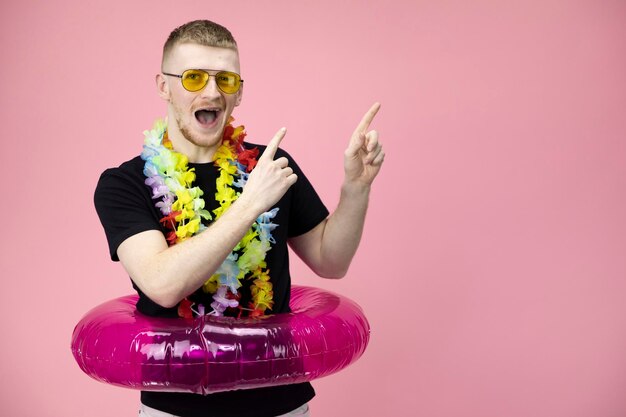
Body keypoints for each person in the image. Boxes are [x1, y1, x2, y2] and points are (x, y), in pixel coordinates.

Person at [94, 19, 384, 417]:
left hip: (281, 401)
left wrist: (356, 187)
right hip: (175, 406)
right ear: (164, 86)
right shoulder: (124, 183)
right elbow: (162, 284)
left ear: (240, 91)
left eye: (226, 80)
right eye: (194, 77)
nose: (212, 91)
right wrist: (249, 206)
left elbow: (330, 261)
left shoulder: (268, 165)